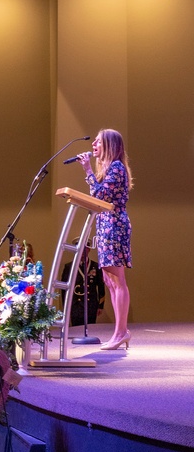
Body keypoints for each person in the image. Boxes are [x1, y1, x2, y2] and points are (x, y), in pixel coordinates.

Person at [73, 128, 133, 350]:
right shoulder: (109, 169)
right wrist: (91, 173)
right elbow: (97, 196)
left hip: (115, 226)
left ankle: (121, 332)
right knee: (110, 282)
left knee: (117, 282)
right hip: (107, 226)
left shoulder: (116, 167)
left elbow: (100, 196)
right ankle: (121, 332)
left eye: (97, 142)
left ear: (108, 145)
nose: (93, 145)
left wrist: (87, 169)